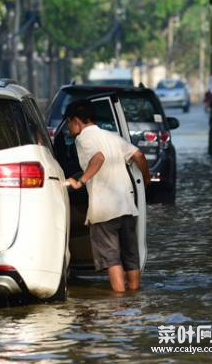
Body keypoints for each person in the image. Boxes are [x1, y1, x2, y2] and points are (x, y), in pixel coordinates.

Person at [64, 99, 151, 293]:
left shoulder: (83, 139)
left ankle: (118, 305)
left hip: (104, 210)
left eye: (69, 123)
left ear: (76, 121)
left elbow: (98, 157)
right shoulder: (112, 136)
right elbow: (139, 155)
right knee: (130, 257)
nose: (69, 128)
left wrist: (81, 181)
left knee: (112, 260)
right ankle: (133, 299)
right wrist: (145, 180)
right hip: (127, 206)